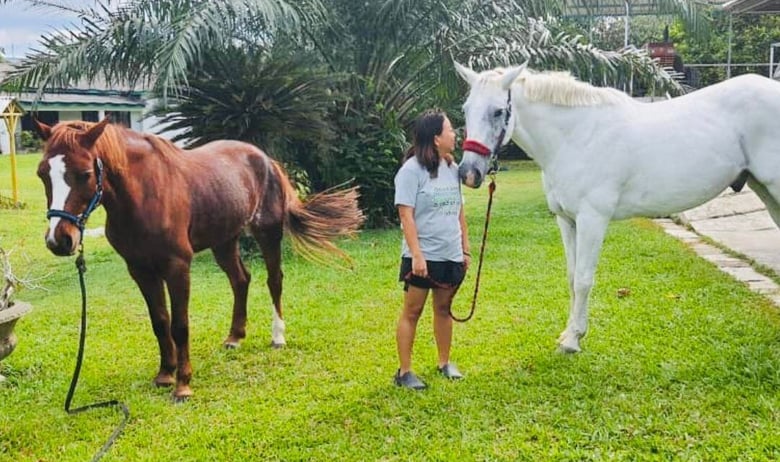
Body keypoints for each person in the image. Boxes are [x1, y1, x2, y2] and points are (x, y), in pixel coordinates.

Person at [393, 109, 471, 390]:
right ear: (436, 138)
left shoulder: (452, 168)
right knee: (412, 312)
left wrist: (465, 247)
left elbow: (459, 210)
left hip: (450, 253)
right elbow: (406, 216)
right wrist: (416, 254)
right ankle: (404, 372)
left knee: (444, 309)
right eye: (450, 130)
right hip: (423, 256)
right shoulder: (411, 171)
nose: (455, 134)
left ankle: (444, 362)